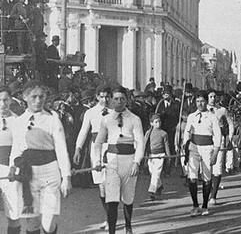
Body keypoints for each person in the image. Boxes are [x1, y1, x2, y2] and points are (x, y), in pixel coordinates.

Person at [11, 81, 72, 234]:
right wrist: (12, 168)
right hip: (28, 174)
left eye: (41, 97)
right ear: (25, 97)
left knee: (49, 221)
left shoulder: (53, 119)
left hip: (50, 173)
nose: (38, 100)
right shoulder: (18, 122)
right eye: (34, 97)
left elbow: (61, 149)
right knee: (32, 222)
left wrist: (66, 177)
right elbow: (16, 149)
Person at [93, 86, 144, 234]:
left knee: (128, 198)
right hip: (112, 163)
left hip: (129, 162)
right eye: (116, 99)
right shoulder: (106, 120)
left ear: (127, 100)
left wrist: (137, 162)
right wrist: (97, 161)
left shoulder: (135, 119)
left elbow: (140, 143)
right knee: (112, 199)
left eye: (122, 98)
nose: (119, 101)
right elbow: (98, 143)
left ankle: (128, 227)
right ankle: (112, 232)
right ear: (112, 100)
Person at [73, 85, 111, 228]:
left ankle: (111, 217)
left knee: (111, 184)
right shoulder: (90, 112)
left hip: (112, 148)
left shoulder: (116, 111)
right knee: (101, 185)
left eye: (107, 96)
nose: (105, 99)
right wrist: (78, 148)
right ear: (97, 97)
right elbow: (83, 131)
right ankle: (108, 216)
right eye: (101, 96)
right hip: (96, 148)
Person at [183, 91, 222, 216]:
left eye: (202, 101)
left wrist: (215, 152)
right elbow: (186, 133)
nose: (200, 104)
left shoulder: (212, 117)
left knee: (207, 177)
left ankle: (205, 206)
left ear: (206, 102)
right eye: (198, 101)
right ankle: (195, 205)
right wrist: (185, 145)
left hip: (207, 148)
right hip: (194, 148)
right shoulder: (191, 116)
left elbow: (218, 135)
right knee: (192, 177)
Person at [0, 85, 22, 234]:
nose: (2, 104)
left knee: (14, 214)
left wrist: (13, 168)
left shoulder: (18, 121)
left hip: (11, 171)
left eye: (5, 100)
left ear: (10, 101)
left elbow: (19, 148)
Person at [206, 89, 234, 205]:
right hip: (206, 142)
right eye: (210, 97)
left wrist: (229, 138)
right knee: (207, 169)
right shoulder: (202, 110)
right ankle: (208, 192)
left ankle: (213, 196)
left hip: (219, 141)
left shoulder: (222, 110)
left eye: (214, 97)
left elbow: (231, 124)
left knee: (217, 169)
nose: (213, 99)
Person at [143, 113, 171, 200]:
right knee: (153, 172)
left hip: (160, 155)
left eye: (159, 121)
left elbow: (167, 146)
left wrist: (168, 156)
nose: (158, 123)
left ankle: (152, 191)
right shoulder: (148, 133)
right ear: (151, 123)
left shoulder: (164, 133)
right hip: (151, 155)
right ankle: (159, 186)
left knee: (156, 173)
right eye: (156, 122)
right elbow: (144, 144)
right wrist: (143, 155)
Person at [155, 85, 180, 157]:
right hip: (162, 129)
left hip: (172, 130)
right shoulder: (159, 105)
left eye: (168, 93)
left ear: (171, 94)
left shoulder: (176, 105)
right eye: (164, 93)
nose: (166, 95)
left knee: (172, 146)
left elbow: (178, 117)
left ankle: (172, 161)